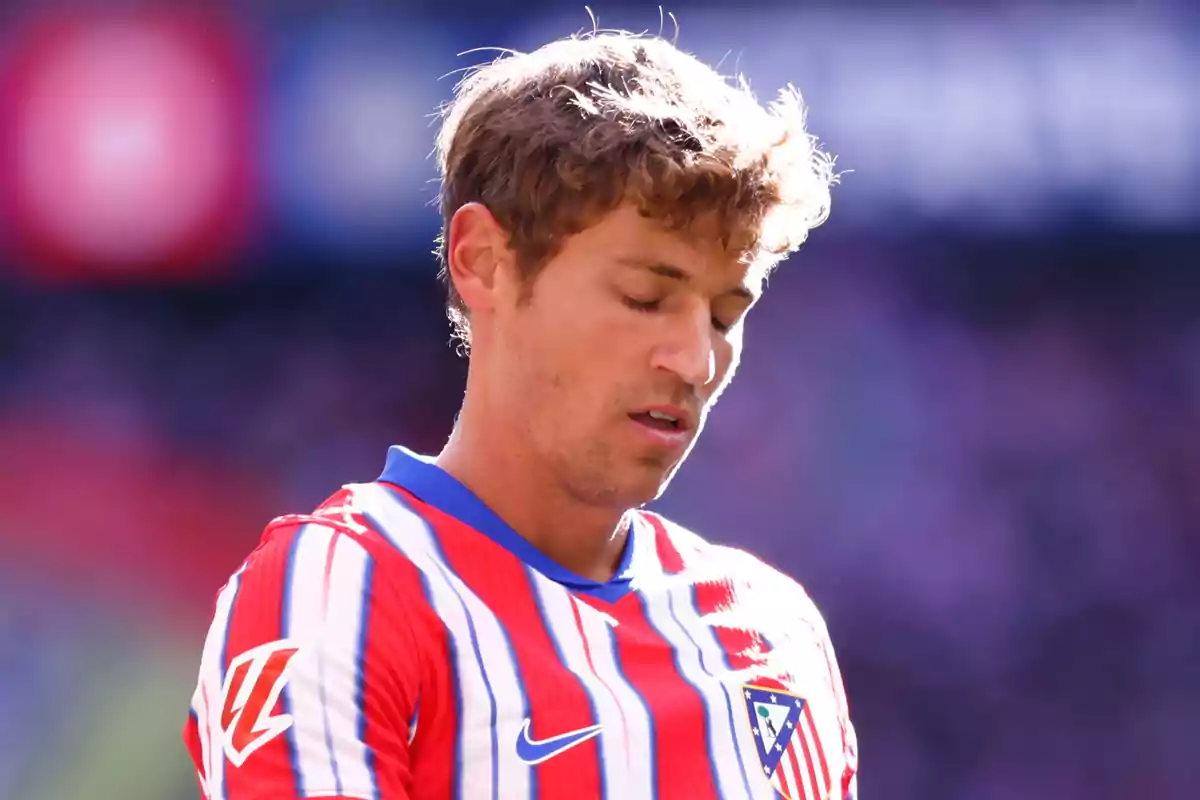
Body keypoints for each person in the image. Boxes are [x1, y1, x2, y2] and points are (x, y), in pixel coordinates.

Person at [183, 29, 857, 800]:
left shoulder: (775, 632)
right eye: (646, 297)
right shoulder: (337, 594)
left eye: (724, 317)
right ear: (484, 261)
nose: (695, 361)